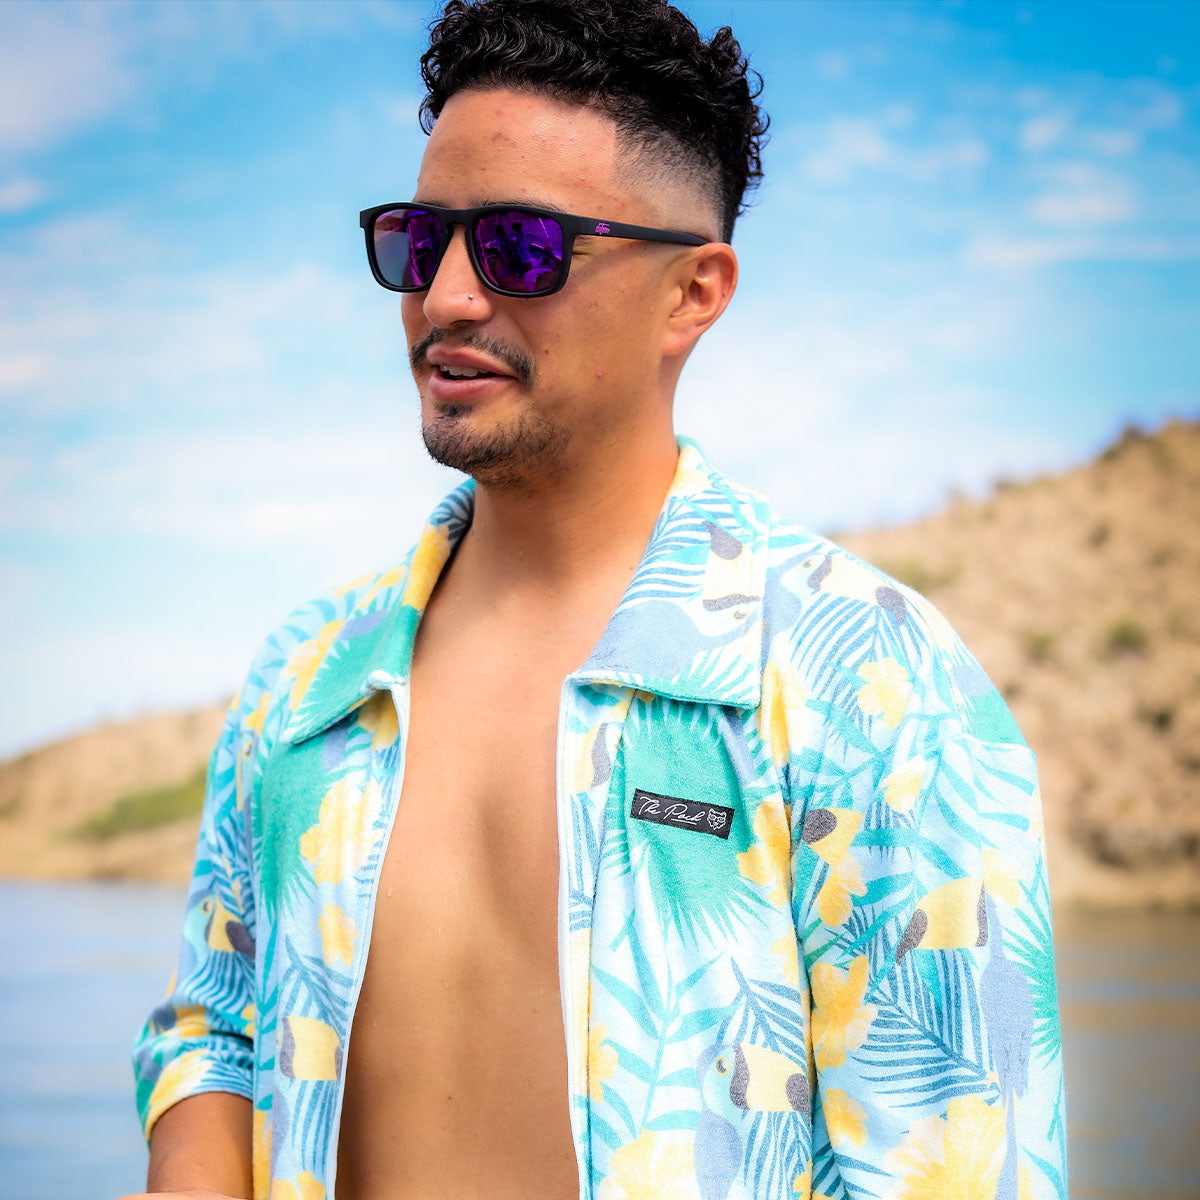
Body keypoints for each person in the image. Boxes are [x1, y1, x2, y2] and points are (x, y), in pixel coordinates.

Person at [125, 2, 1067, 1198]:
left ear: (692, 293)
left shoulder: (867, 680)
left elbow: (959, 1163)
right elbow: (217, 1023)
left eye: (520, 246)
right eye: (422, 242)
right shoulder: (310, 675)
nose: (449, 297)